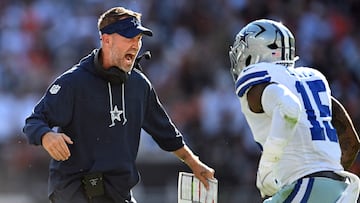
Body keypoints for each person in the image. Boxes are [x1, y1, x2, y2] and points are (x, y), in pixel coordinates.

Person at [23, 6, 215, 203]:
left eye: (139, 39)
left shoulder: (140, 85)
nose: (136, 45)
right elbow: (34, 121)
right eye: (129, 38)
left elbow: (167, 134)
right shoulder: (73, 82)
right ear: (106, 40)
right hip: (73, 191)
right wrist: (46, 136)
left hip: (117, 194)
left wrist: (194, 163)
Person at [228, 19, 360, 202]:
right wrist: (325, 177)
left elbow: (289, 108)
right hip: (340, 190)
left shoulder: (259, 81)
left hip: (306, 187)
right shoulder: (311, 81)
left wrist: (267, 167)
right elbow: (351, 143)